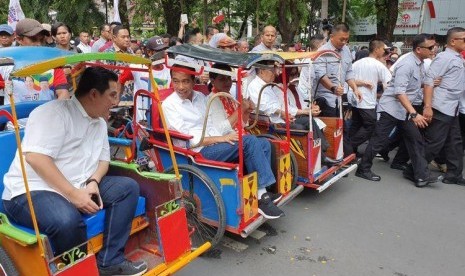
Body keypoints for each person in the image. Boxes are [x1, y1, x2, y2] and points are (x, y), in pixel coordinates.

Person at [2, 67, 147, 275]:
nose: (116, 102)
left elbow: (103, 160)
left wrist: (93, 182)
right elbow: (36, 158)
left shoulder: (98, 121)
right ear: (94, 94)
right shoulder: (53, 113)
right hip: (31, 189)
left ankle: (110, 262)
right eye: (112, 95)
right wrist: (74, 195)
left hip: (79, 183)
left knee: (128, 188)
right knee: (67, 221)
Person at [162, 65, 284, 219]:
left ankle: (259, 192)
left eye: (185, 81)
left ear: (194, 81)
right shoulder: (169, 105)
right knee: (250, 142)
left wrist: (228, 135)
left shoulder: (200, 97)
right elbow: (188, 141)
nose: (180, 87)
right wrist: (222, 138)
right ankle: (262, 198)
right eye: (176, 81)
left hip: (217, 143)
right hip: (197, 152)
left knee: (264, 144)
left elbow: (214, 126)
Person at [356, 34, 438, 187]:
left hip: (404, 110)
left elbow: (419, 85)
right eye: (431, 47)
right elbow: (399, 92)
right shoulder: (407, 64)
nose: (434, 50)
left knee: (415, 140)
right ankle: (363, 168)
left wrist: (426, 106)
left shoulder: (421, 63)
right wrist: (414, 113)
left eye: (434, 46)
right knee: (378, 140)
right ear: (419, 49)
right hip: (392, 109)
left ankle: (420, 175)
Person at [422, 27, 465, 185]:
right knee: (435, 142)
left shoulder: (458, 58)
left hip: (452, 106)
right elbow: (429, 82)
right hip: (441, 106)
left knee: (455, 142)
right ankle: (415, 169)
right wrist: (427, 106)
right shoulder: (444, 57)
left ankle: (454, 175)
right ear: (453, 41)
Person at [2, 18, 69, 105]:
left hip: (47, 116)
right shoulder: (4, 64)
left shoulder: (53, 64)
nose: (39, 44)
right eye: (33, 39)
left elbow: (63, 93)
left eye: (41, 40)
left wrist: (53, 114)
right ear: (19, 39)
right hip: (15, 118)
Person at [348, 40, 392, 155]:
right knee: (370, 125)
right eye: (383, 49)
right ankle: (348, 147)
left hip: (355, 99)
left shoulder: (356, 64)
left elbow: (348, 79)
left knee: (356, 124)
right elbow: (389, 84)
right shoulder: (379, 65)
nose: (385, 52)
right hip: (366, 101)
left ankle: (350, 151)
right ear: (377, 49)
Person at [118, 35, 171, 120]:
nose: (162, 54)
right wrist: (117, 99)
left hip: (163, 119)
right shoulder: (136, 67)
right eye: (159, 51)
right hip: (142, 121)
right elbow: (120, 80)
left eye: (163, 50)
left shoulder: (169, 70)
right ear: (149, 52)